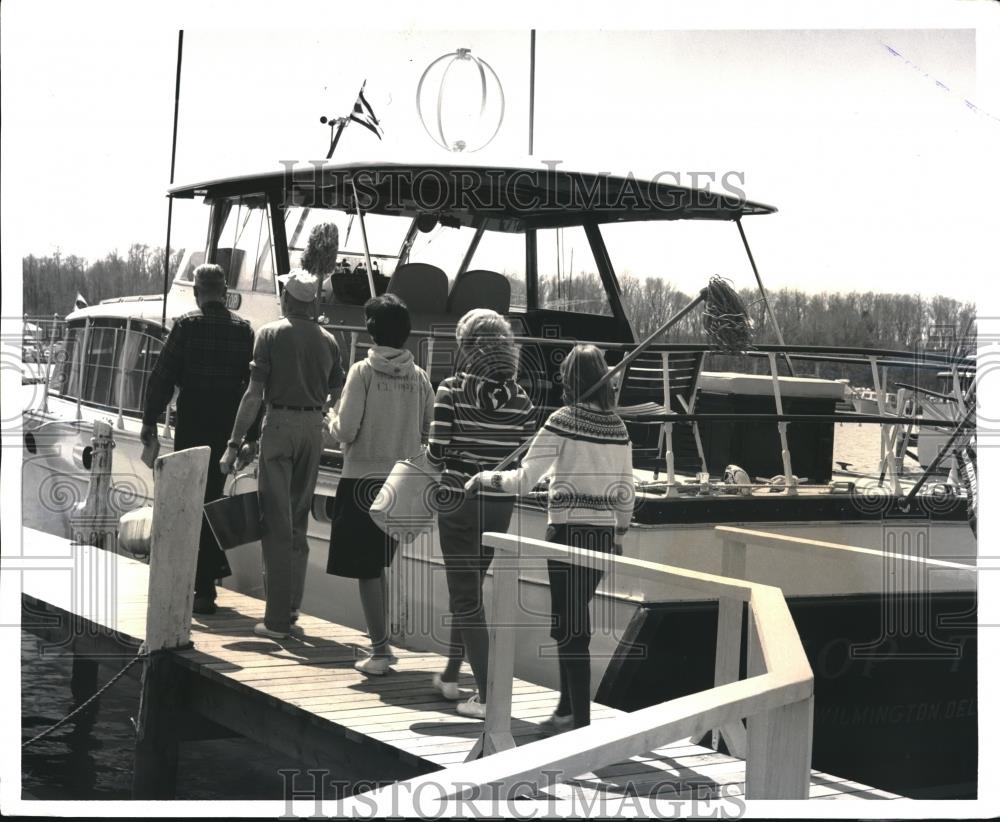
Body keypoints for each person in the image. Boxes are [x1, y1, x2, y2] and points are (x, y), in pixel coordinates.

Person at [467, 344, 634, 731]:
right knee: (570, 622)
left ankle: (580, 721)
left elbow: (525, 481)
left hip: (567, 531)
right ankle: (566, 709)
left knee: (570, 625)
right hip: (604, 533)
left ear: (571, 380)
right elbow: (626, 490)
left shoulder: (561, 421)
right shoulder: (618, 428)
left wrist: (484, 478)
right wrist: (620, 531)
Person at [220, 270, 345, 639]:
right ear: (312, 302)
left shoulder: (270, 334)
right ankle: (291, 608)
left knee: (275, 522)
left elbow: (254, 394)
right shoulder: (329, 340)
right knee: (298, 522)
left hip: (280, 425)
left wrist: (233, 443)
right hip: (313, 429)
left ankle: (275, 621)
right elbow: (336, 391)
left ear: (289, 299)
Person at [427, 309, 536, 718]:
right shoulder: (522, 399)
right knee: (470, 591)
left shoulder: (451, 391)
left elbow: (438, 452)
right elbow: (524, 454)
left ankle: (491, 696)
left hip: (458, 499)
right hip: (497, 506)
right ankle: (453, 675)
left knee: (466, 597)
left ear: (470, 348)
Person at [326, 293, 434, 675]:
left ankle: (381, 650)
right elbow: (427, 429)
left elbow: (347, 428)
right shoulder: (419, 377)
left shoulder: (362, 372)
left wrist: (330, 419)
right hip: (399, 484)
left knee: (366, 570)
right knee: (379, 566)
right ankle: (382, 643)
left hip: (360, 481)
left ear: (372, 332)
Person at [140, 263, 255, 615]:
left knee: (189, 498)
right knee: (212, 499)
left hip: (193, 419)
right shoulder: (244, 331)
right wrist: (248, 435)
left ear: (197, 292)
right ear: (224, 292)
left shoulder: (187, 327)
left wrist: (149, 420)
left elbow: (163, 378)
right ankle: (206, 585)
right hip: (226, 424)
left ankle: (197, 584)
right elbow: (254, 389)